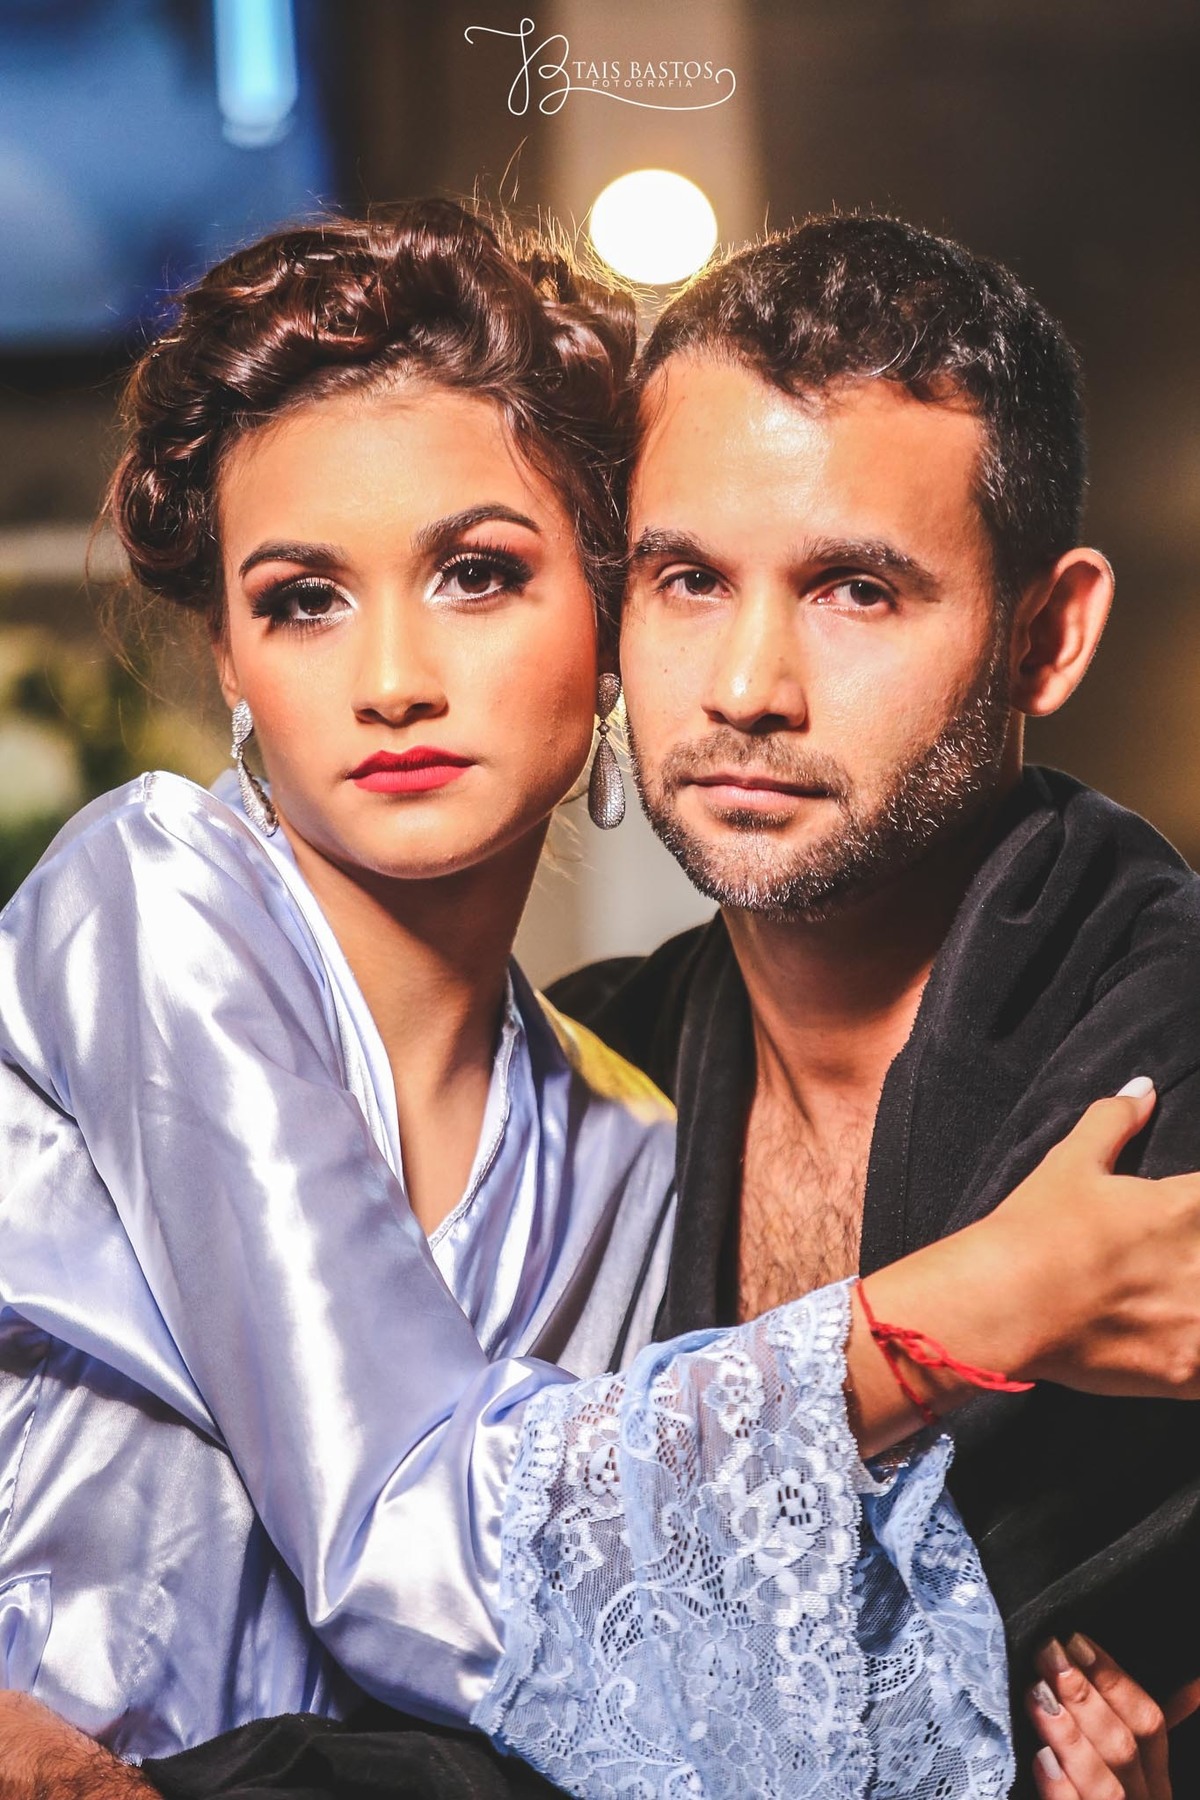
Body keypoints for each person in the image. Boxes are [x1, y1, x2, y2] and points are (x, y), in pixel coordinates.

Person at [0, 203, 1191, 1800]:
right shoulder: (153, 898)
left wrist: (1011, 1761)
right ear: (227, 653)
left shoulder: (630, 1123)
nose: (392, 679)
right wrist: (964, 1312)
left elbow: (660, 1677)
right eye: (301, 599)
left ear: (599, 614)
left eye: (478, 574)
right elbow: (410, 1547)